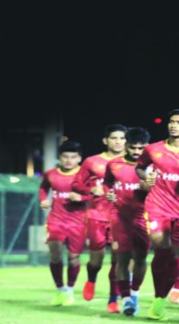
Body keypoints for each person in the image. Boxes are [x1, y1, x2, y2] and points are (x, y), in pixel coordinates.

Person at [135, 109, 179, 321]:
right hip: (157, 206)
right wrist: (145, 178)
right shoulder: (153, 149)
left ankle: (163, 297)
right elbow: (140, 167)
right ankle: (157, 297)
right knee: (161, 247)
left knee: (175, 256)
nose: (173, 125)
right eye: (172, 121)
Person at [72, 124, 128, 313]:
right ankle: (91, 278)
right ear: (105, 141)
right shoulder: (92, 162)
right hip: (97, 216)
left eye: (122, 138)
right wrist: (90, 190)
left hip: (121, 218)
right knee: (96, 260)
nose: (118, 142)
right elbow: (76, 184)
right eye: (114, 138)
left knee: (118, 260)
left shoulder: (132, 162)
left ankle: (113, 300)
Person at [104, 127, 152, 317]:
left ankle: (135, 293)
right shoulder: (114, 164)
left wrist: (151, 189)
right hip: (120, 217)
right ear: (126, 145)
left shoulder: (153, 166)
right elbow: (107, 183)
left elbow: (165, 190)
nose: (137, 152)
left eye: (141, 148)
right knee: (121, 258)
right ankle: (125, 299)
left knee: (140, 259)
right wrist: (109, 193)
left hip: (144, 217)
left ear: (147, 147)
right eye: (133, 147)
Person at [39, 140, 87, 306]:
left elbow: (95, 193)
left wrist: (81, 197)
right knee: (55, 253)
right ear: (60, 157)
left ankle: (70, 290)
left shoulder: (85, 175)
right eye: (65, 157)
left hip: (78, 221)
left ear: (79, 158)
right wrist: (43, 200)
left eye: (73, 157)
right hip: (56, 220)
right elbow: (43, 188)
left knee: (73, 258)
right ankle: (59, 289)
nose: (69, 160)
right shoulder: (51, 174)